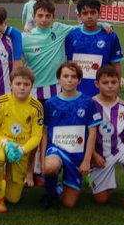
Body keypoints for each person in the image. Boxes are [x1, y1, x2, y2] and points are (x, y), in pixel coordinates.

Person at [40, 60, 102, 209]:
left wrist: (87, 160)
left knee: (69, 204)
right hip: (56, 150)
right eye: (65, 76)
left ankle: (59, 188)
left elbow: (92, 132)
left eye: (73, 76)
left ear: (79, 80)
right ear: (59, 78)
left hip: (77, 156)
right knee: (50, 167)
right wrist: (42, 160)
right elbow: (44, 133)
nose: (69, 80)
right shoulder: (50, 103)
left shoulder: (87, 102)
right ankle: (50, 194)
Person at [88, 64, 124, 210]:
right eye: (105, 83)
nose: (110, 86)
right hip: (99, 153)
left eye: (113, 82)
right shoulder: (89, 105)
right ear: (97, 84)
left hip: (119, 148)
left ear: (119, 83)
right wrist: (93, 155)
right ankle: (95, 177)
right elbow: (85, 134)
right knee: (101, 200)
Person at [0, 66, 44, 213]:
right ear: (11, 84)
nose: (22, 88)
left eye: (26, 84)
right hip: (1, 144)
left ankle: (1, 181)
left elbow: (37, 136)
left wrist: (22, 149)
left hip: (21, 149)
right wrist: (5, 144)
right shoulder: (1, 102)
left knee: (13, 199)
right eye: (18, 84)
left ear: (31, 86)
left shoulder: (36, 107)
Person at [63, 0, 124, 98]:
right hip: (75, 90)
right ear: (79, 16)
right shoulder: (71, 35)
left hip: (102, 91)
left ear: (99, 14)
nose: (89, 16)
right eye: (85, 13)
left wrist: (116, 85)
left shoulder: (110, 36)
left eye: (93, 12)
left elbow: (116, 64)